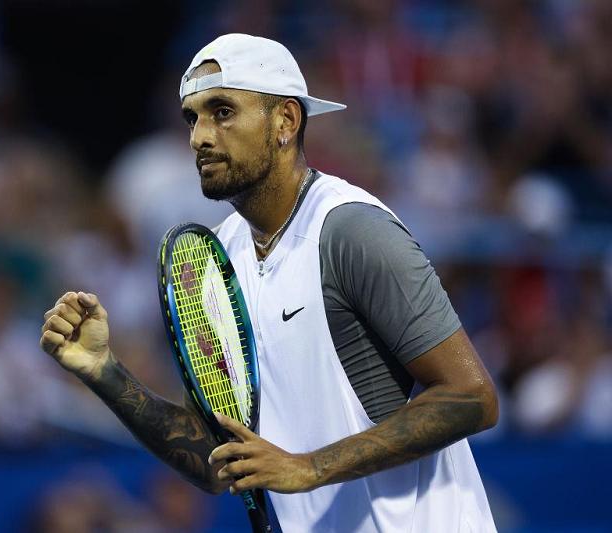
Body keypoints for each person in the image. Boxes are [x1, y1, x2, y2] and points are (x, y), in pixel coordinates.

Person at [41, 33, 498, 532]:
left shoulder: (351, 230)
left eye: (222, 112)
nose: (199, 137)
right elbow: (216, 460)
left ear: (285, 121)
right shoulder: (212, 261)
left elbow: (473, 397)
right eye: (192, 118)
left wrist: (309, 467)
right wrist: (104, 372)